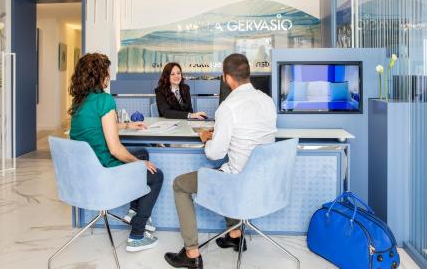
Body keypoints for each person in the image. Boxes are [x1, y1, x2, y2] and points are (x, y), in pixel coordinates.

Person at [164, 54, 277, 269]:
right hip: (264, 181)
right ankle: (234, 235)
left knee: (181, 184)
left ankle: (191, 253)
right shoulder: (267, 100)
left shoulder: (228, 106)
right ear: (248, 75)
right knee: (226, 169)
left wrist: (208, 138)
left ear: (226, 77)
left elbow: (215, 153)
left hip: (238, 182)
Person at [69, 53, 163, 252]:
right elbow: (115, 150)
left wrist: (127, 125)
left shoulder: (80, 102)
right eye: (107, 72)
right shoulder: (104, 100)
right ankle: (137, 234)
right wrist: (139, 164)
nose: (109, 77)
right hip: (105, 171)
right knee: (155, 175)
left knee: (142, 152)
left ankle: (133, 210)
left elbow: (99, 126)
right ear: (99, 75)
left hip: (86, 171)